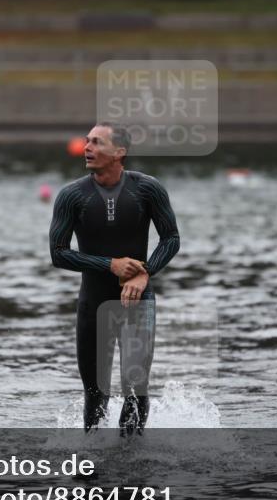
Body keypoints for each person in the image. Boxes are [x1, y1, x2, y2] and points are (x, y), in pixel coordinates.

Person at [49, 122, 180, 435]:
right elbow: (58, 254)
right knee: (95, 394)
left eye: (97, 142)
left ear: (120, 151)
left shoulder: (147, 189)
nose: (87, 148)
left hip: (137, 300)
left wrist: (145, 273)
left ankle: (132, 454)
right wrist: (111, 265)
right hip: (93, 304)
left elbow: (171, 239)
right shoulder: (71, 195)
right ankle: (93, 455)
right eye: (87, 141)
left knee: (135, 389)